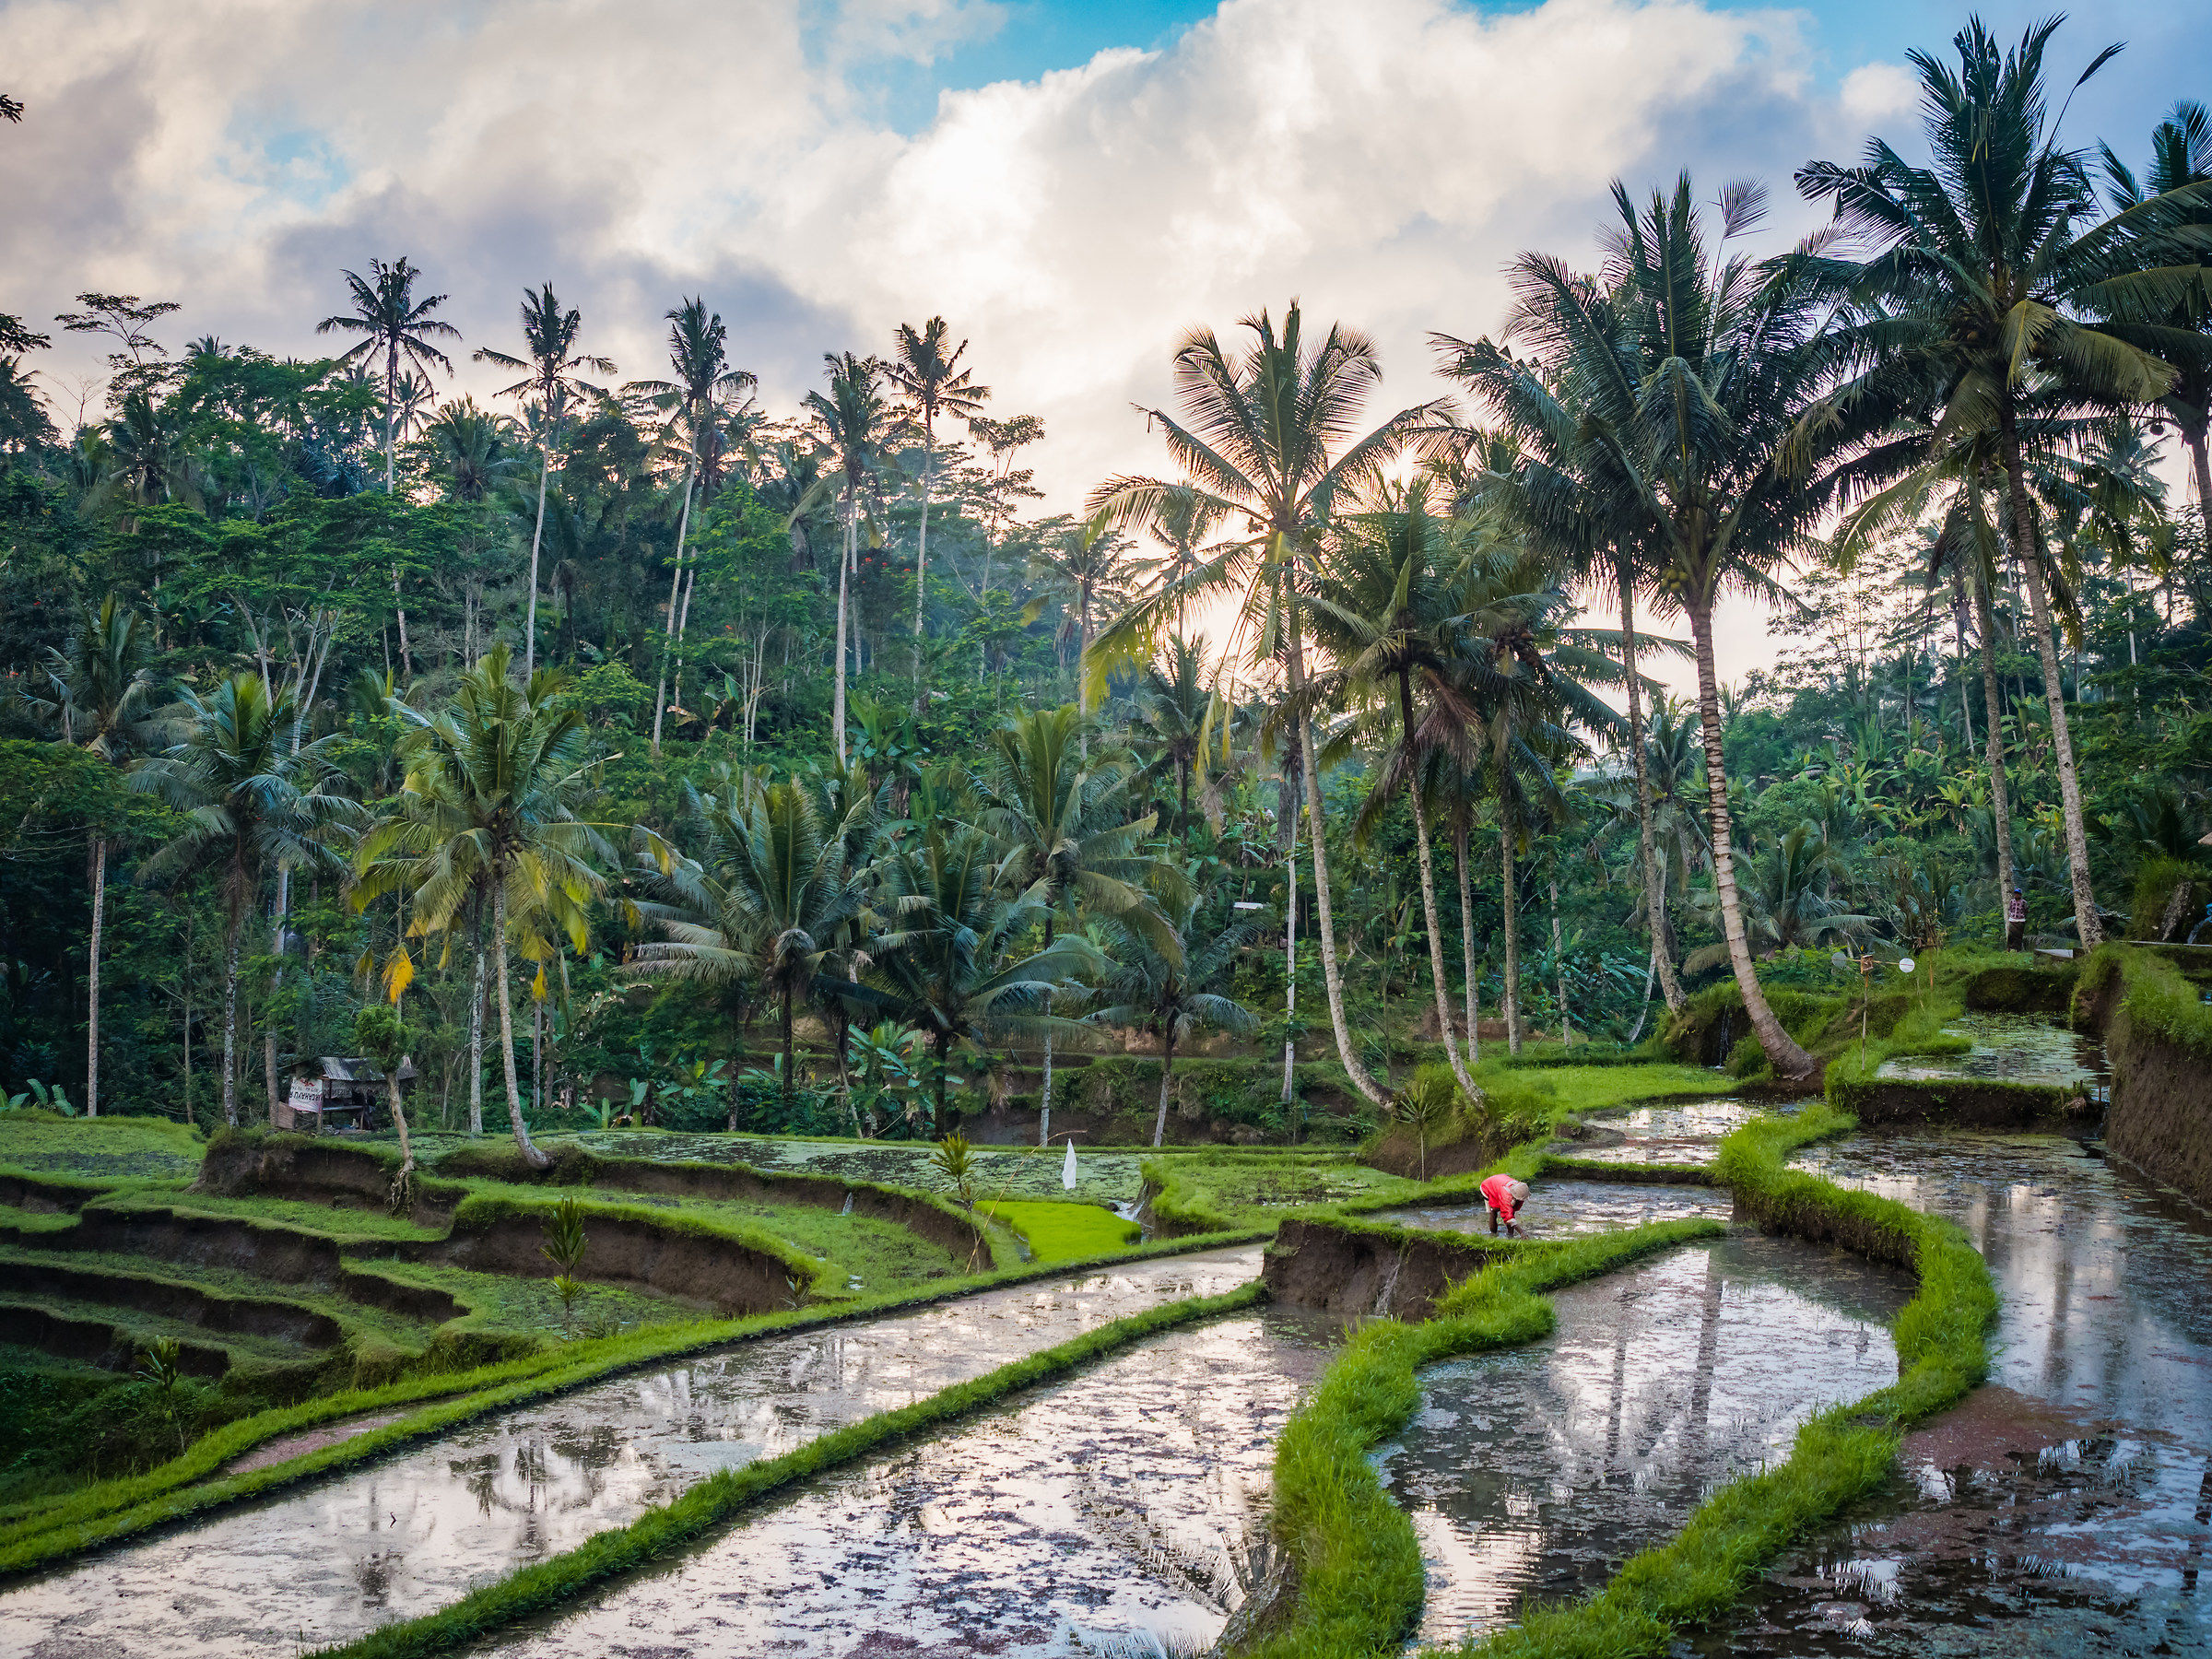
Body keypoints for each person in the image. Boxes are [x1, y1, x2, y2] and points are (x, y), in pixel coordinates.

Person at [1479, 1172, 1531, 1237]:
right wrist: (1521, 1232)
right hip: (1488, 1187)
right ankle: (1493, 1234)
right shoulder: (1506, 1197)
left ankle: (1510, 1234)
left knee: (1511, 1211)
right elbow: (1508, 1216)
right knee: (1493, 1211)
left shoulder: (1519, 1188)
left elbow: (1511, 1212)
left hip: (1499, 1184)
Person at [2005, 887, 2028, 952]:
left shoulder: (2024, 902)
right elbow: (2010, 909)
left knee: (2019, 935)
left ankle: (2018, 949)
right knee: (2011, 935)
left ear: (2020, 895)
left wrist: (2022, 916)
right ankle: (2009, 948)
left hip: (2021, 921)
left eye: (2018, 894)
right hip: (2012, 920)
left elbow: (2026, 910)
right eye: (2015, 894)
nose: (2016, 895)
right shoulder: (2011, 902)